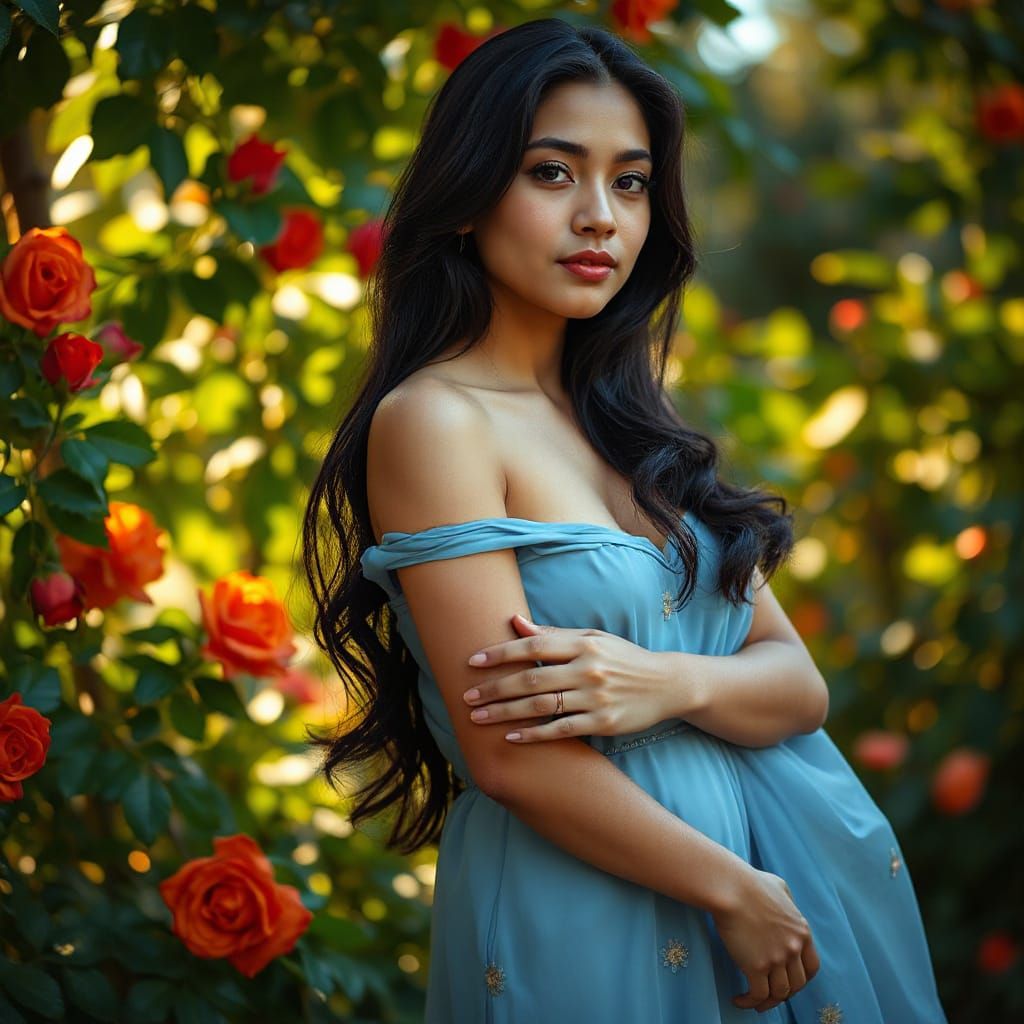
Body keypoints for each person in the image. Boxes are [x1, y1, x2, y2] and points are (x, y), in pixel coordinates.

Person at [302, 17, 948, 1023]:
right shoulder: (436, 422)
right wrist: (731, 887)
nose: (599, 216)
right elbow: (509, 756)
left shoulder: (635, 426)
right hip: (597, 903)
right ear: (469, 193)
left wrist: (662, 681)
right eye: (553, 173)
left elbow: (797, 686)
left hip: (768, 893)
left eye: (630, 181)